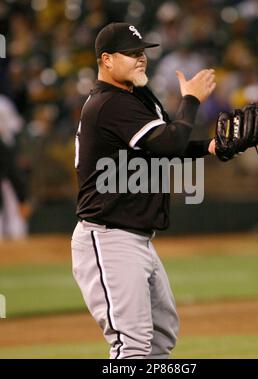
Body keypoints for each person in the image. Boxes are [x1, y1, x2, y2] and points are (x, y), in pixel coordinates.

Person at [71, 22, 217, 359]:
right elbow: (169, 143)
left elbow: (166, 144)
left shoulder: (133, 98)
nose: (142, 59)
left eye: (143, 53)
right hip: (109, 237)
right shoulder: (110, 104)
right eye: (133, 53)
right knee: (132, 347)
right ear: (106, 59)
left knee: (160, 342)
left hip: (135, 237)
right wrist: (191, 100)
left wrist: (210, 147)